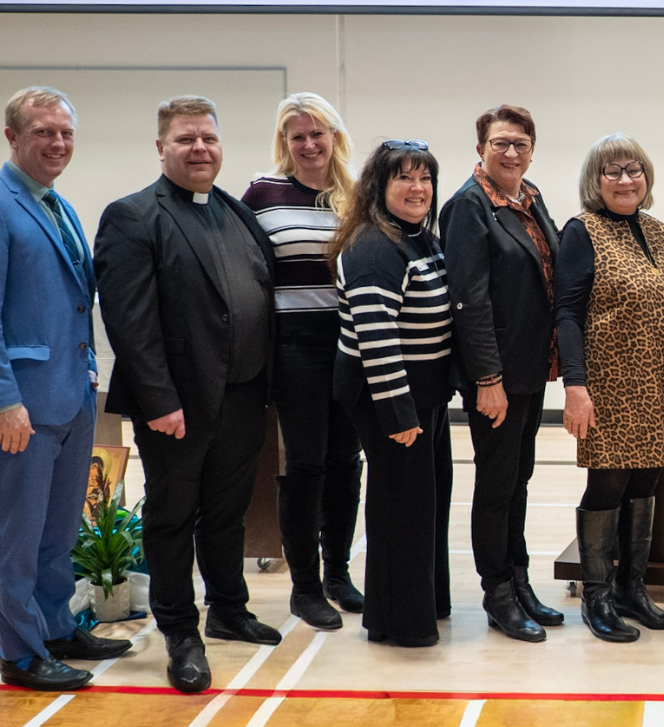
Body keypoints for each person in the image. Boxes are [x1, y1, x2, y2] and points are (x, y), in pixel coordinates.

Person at [0, 87, 131, 692]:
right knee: (16, 538)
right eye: (44, 132)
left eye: (66, 133)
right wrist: (2, 401)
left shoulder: (58, 206)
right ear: (12, 138)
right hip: (17, 407)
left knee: (56, 532)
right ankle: (21, 655)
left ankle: (55, 627)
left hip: (70, 397)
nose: (57, 143)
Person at [96, 96, 279, 694]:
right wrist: (157, 400)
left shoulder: (235, 212)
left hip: (245, 395)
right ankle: (180, 631)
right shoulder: (133, 216)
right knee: (174, 516)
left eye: (208, 138)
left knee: (227, 513)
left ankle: (228, 607)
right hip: (177, 403)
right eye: (185, 139)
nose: (199, 148)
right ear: (161, 147)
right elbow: (129, 321)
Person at [555, 133, 664, 642]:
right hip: (609, 385)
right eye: (613, 171)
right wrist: (575, 387)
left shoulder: (661, 231)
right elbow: (567, 314)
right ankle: (598, 596)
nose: (626, 180)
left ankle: (632, 588)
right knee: (608, 486)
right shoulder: (582, 231)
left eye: (634, 170)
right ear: (595, 181)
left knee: (647, 485)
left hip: (662, 379)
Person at [441, 105, 565, 642]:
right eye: (500, 143)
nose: (510, 152)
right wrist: (487, 378)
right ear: (480, 149)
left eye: (519, 143)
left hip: (531, 370)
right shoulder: (467, 208)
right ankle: (497, 594)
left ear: (532, 150)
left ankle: (519, 581)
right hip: (497, 377)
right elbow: (468, 300)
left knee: (519, 481)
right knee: (495, 485)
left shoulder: (529, 199)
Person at [240, 92, 363, 631]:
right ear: (285, 143)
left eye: (318, 133)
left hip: (350, 343)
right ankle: (305, 587)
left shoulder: (356, 195)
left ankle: (338, 574)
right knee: (306, 463)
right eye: (298, 136)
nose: (309, 144)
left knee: (346, 462)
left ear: (334, 136)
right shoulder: (263, 193)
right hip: (294, 345)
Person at [331, 140, 455, 648]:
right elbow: (376, 339)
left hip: (424, 394)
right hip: (388, 396)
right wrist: (399, 414)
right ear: (379, 187)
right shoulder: (373, 248)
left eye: (425, 178)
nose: (417, 188)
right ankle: (402, 624)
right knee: (403, 508)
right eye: (404, 178)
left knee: (424, 502)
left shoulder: (416, 237)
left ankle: (418, 604)